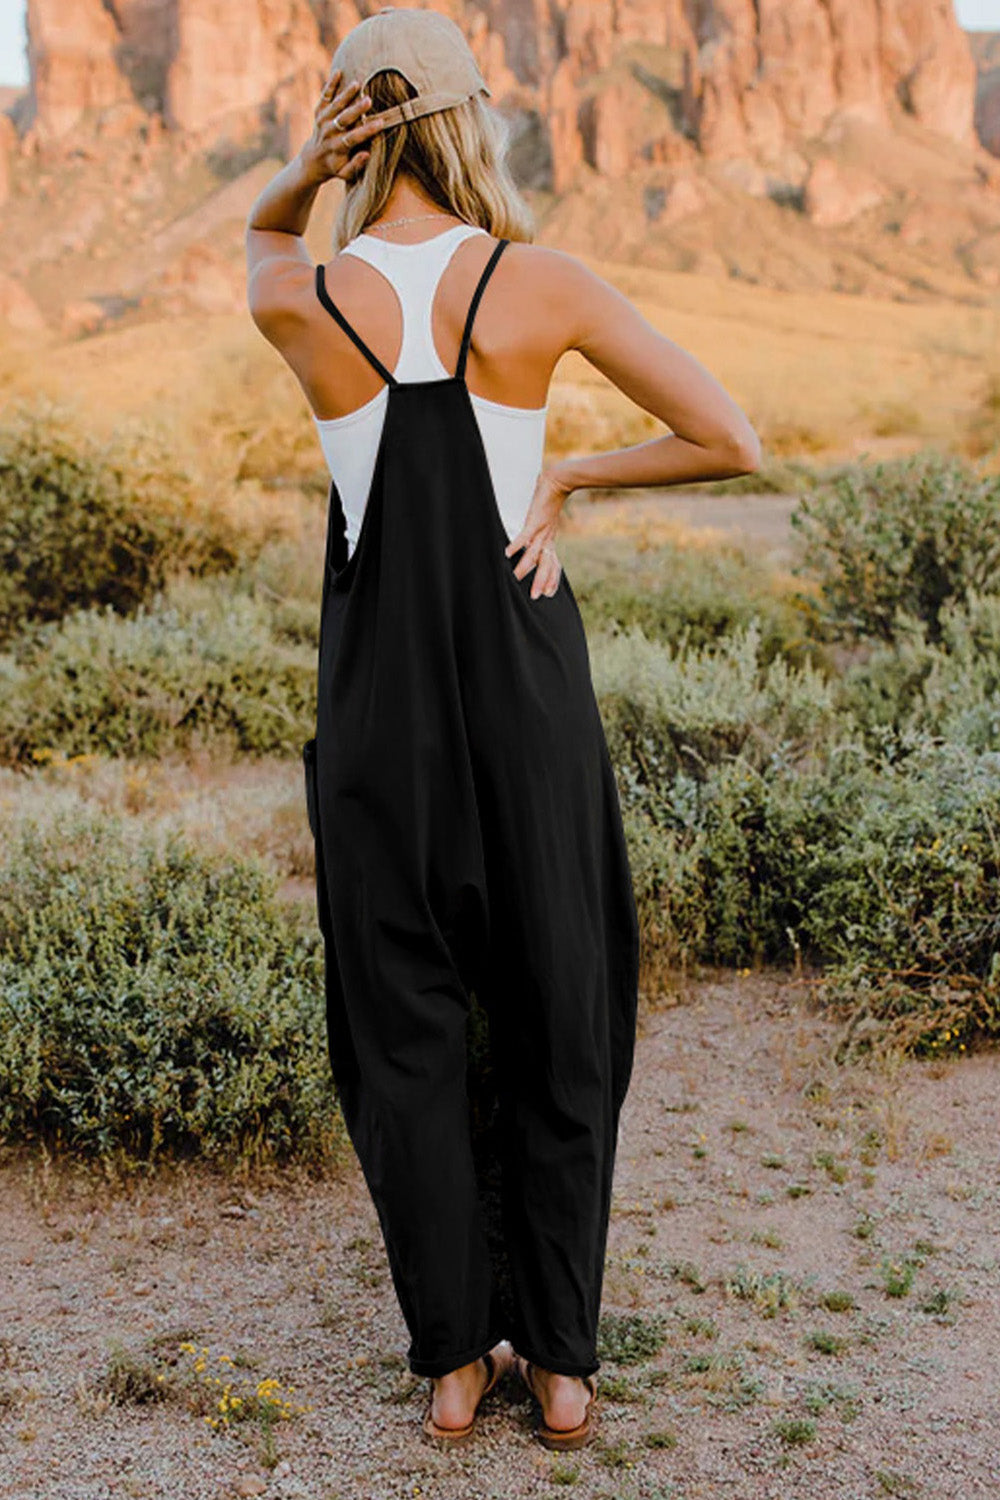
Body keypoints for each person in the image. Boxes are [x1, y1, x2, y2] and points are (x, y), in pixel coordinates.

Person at [245, 6, 761, 1453]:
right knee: (559, 992)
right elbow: (734, 436)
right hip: (526, 689)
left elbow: (259, 249)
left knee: (399, 1013)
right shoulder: (540, 284)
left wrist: (302, 168)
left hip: (376, 708)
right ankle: (568, 1359)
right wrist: (575, 474)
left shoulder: (304, 297)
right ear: (471, 119)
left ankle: (454, 1361)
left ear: (354, 127)